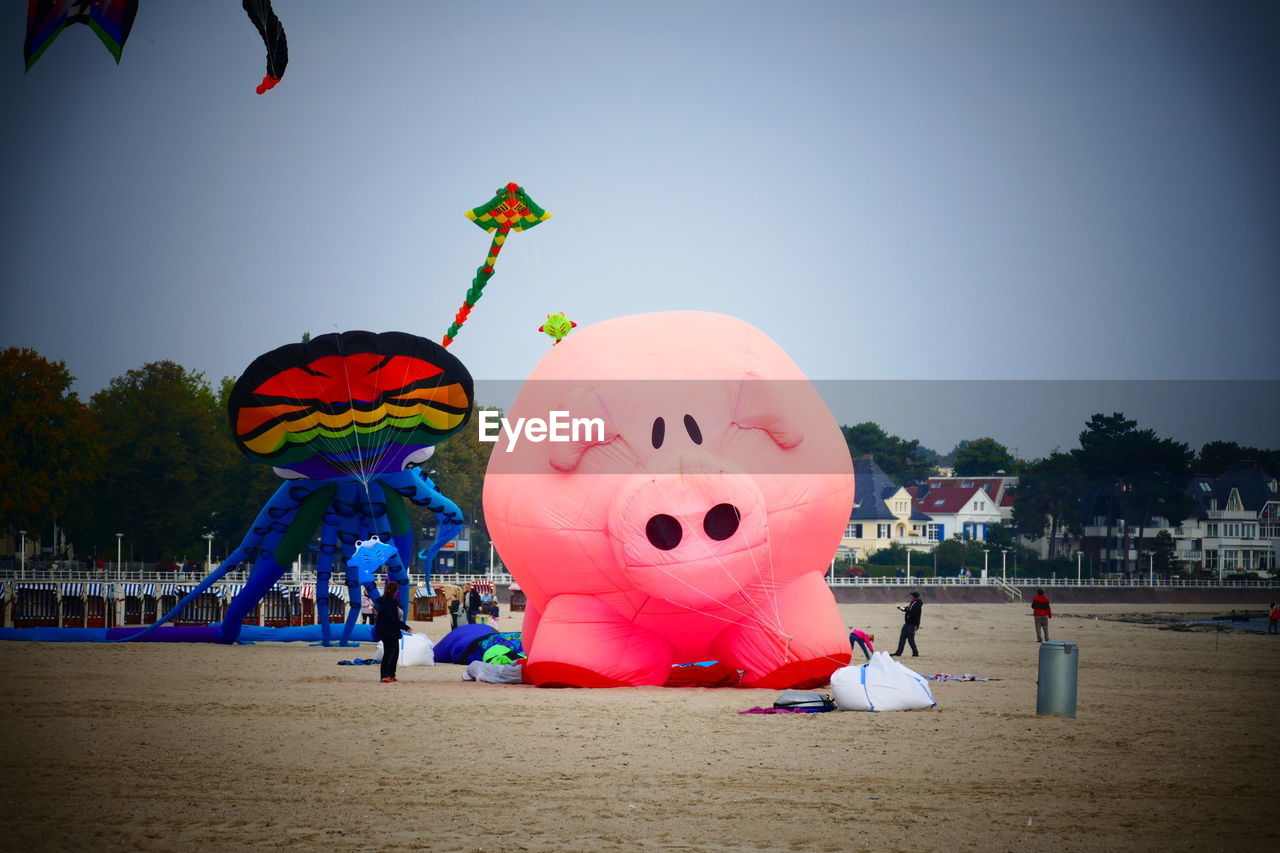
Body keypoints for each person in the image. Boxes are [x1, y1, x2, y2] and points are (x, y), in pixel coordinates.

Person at [373, 582, 412, 683]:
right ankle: (384, 675)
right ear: (395, 591)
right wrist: (405, 627)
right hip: (388, 631)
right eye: (397, 590)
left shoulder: (391, 601)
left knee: (395, 653)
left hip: (392, 630)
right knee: (389, 653)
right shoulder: (388, 602)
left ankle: (391, 674)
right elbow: (392, 618)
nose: (398, 591)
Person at [890, 591, 922, 657]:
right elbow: (908, 608)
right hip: (907, 624)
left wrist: (905, 609)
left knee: (910, 639)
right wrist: (901, 608)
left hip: (913, 625)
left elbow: (912, 612)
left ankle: (915, 653)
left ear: (915, 597)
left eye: (912, 596)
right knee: (902, 638)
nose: (911, 597)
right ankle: (898, 652)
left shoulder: (918, 604)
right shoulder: (913, 603)